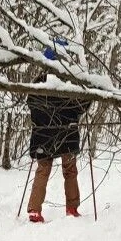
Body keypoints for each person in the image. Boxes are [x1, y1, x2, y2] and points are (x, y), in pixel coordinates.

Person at [26, 49, 92, 223]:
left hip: (43, 134)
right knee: (70, 171)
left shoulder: (38, 83)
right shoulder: (70, 82)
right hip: (67, 133)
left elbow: (31, 104)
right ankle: (72, 208)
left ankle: (34, 210)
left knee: (42, 171)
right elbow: (82, 105)